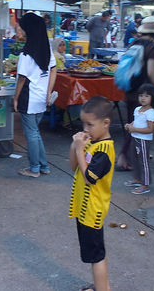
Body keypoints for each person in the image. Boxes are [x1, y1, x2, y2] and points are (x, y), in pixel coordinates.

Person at [68, 96, 115, 291]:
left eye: (90, 124)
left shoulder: (104, 150)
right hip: (84, 209)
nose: (85, 129)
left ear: (105, 123)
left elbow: (89, 177)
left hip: (93, 210)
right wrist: (75, 146)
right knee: (93, 254)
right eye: (83, 124)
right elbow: (74, 167)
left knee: (97, 256)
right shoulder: (92, 143)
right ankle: (99, 286)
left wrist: (80, 149)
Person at [116, 16, 154, 171]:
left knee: (133, 122)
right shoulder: (152, 46)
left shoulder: (134, 43)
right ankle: (123, 158)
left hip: (130, 89)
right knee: (138, 125)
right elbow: (151, 72)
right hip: (144, 93)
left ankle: (134, 155)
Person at [14, 13, 57, 178]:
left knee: (31, 133)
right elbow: (54, 70)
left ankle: (34, 168)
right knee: (35, 132)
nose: (19, 29)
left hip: (29, 97)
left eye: (21, 26)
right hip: (41, 98)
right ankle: (43, 165)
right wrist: (48, 92)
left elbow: (21, 79)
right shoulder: (47, 51)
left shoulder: (25, 55)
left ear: (28, 29)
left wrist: (16, 98)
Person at [123, 83, 154, 195]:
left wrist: (134, 129)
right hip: (135, 137)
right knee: (134, 159)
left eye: (147, 96)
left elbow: (150, 129)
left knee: (144, 162)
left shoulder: (150, 113)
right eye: (141, 95)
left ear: (152, 98)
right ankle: (137, 179)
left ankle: (145, 184)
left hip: (143, 140)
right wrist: (130, 125)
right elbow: (135, 121)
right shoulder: (138, 109)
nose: (143, 98)